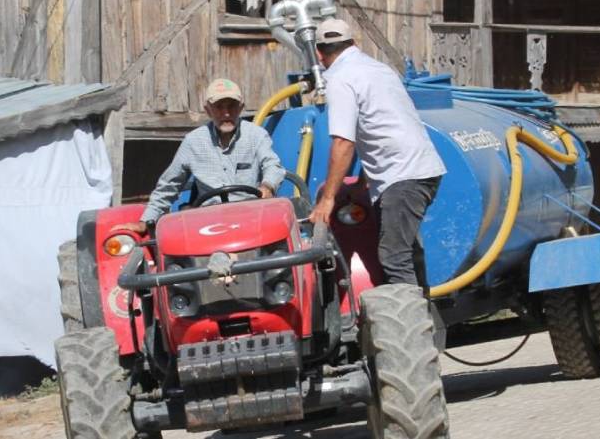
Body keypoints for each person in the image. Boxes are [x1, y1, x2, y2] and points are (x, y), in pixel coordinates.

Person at [308, 18, 446, 288]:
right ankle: (424, 322)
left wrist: (327, 199)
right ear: (354, 44)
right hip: (422, 167)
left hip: (402, 174)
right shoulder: (379, 69)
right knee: (407, 253)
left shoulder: (339, 79)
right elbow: (380, 125)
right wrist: (362, 181)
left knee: (394, 257)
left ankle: (410, 327)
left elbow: (344, 143)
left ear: (319, 54)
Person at [114, 78, 286, 234]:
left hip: (251, 217)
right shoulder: (193, 142)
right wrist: (146, 221)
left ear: (241, 108)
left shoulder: (256, 135)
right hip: (208, 222)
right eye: (219, 107)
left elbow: (273, 165)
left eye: (231, 106)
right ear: (208, 110)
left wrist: (267, 186)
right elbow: (169, 184)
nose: (226, 113)